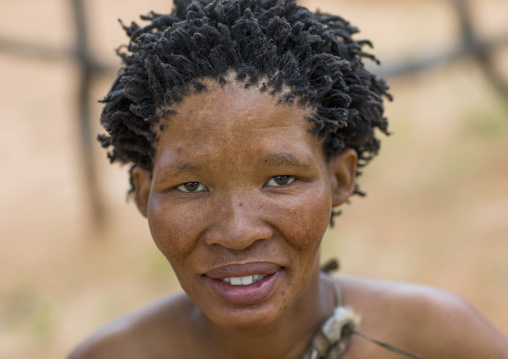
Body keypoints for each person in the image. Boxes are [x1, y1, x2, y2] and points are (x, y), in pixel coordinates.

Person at [69, 0, 508, 358]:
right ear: (145, 194)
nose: (237, 233)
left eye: (280, 178)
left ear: (339, 178)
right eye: (190, 186)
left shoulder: (435, 339)